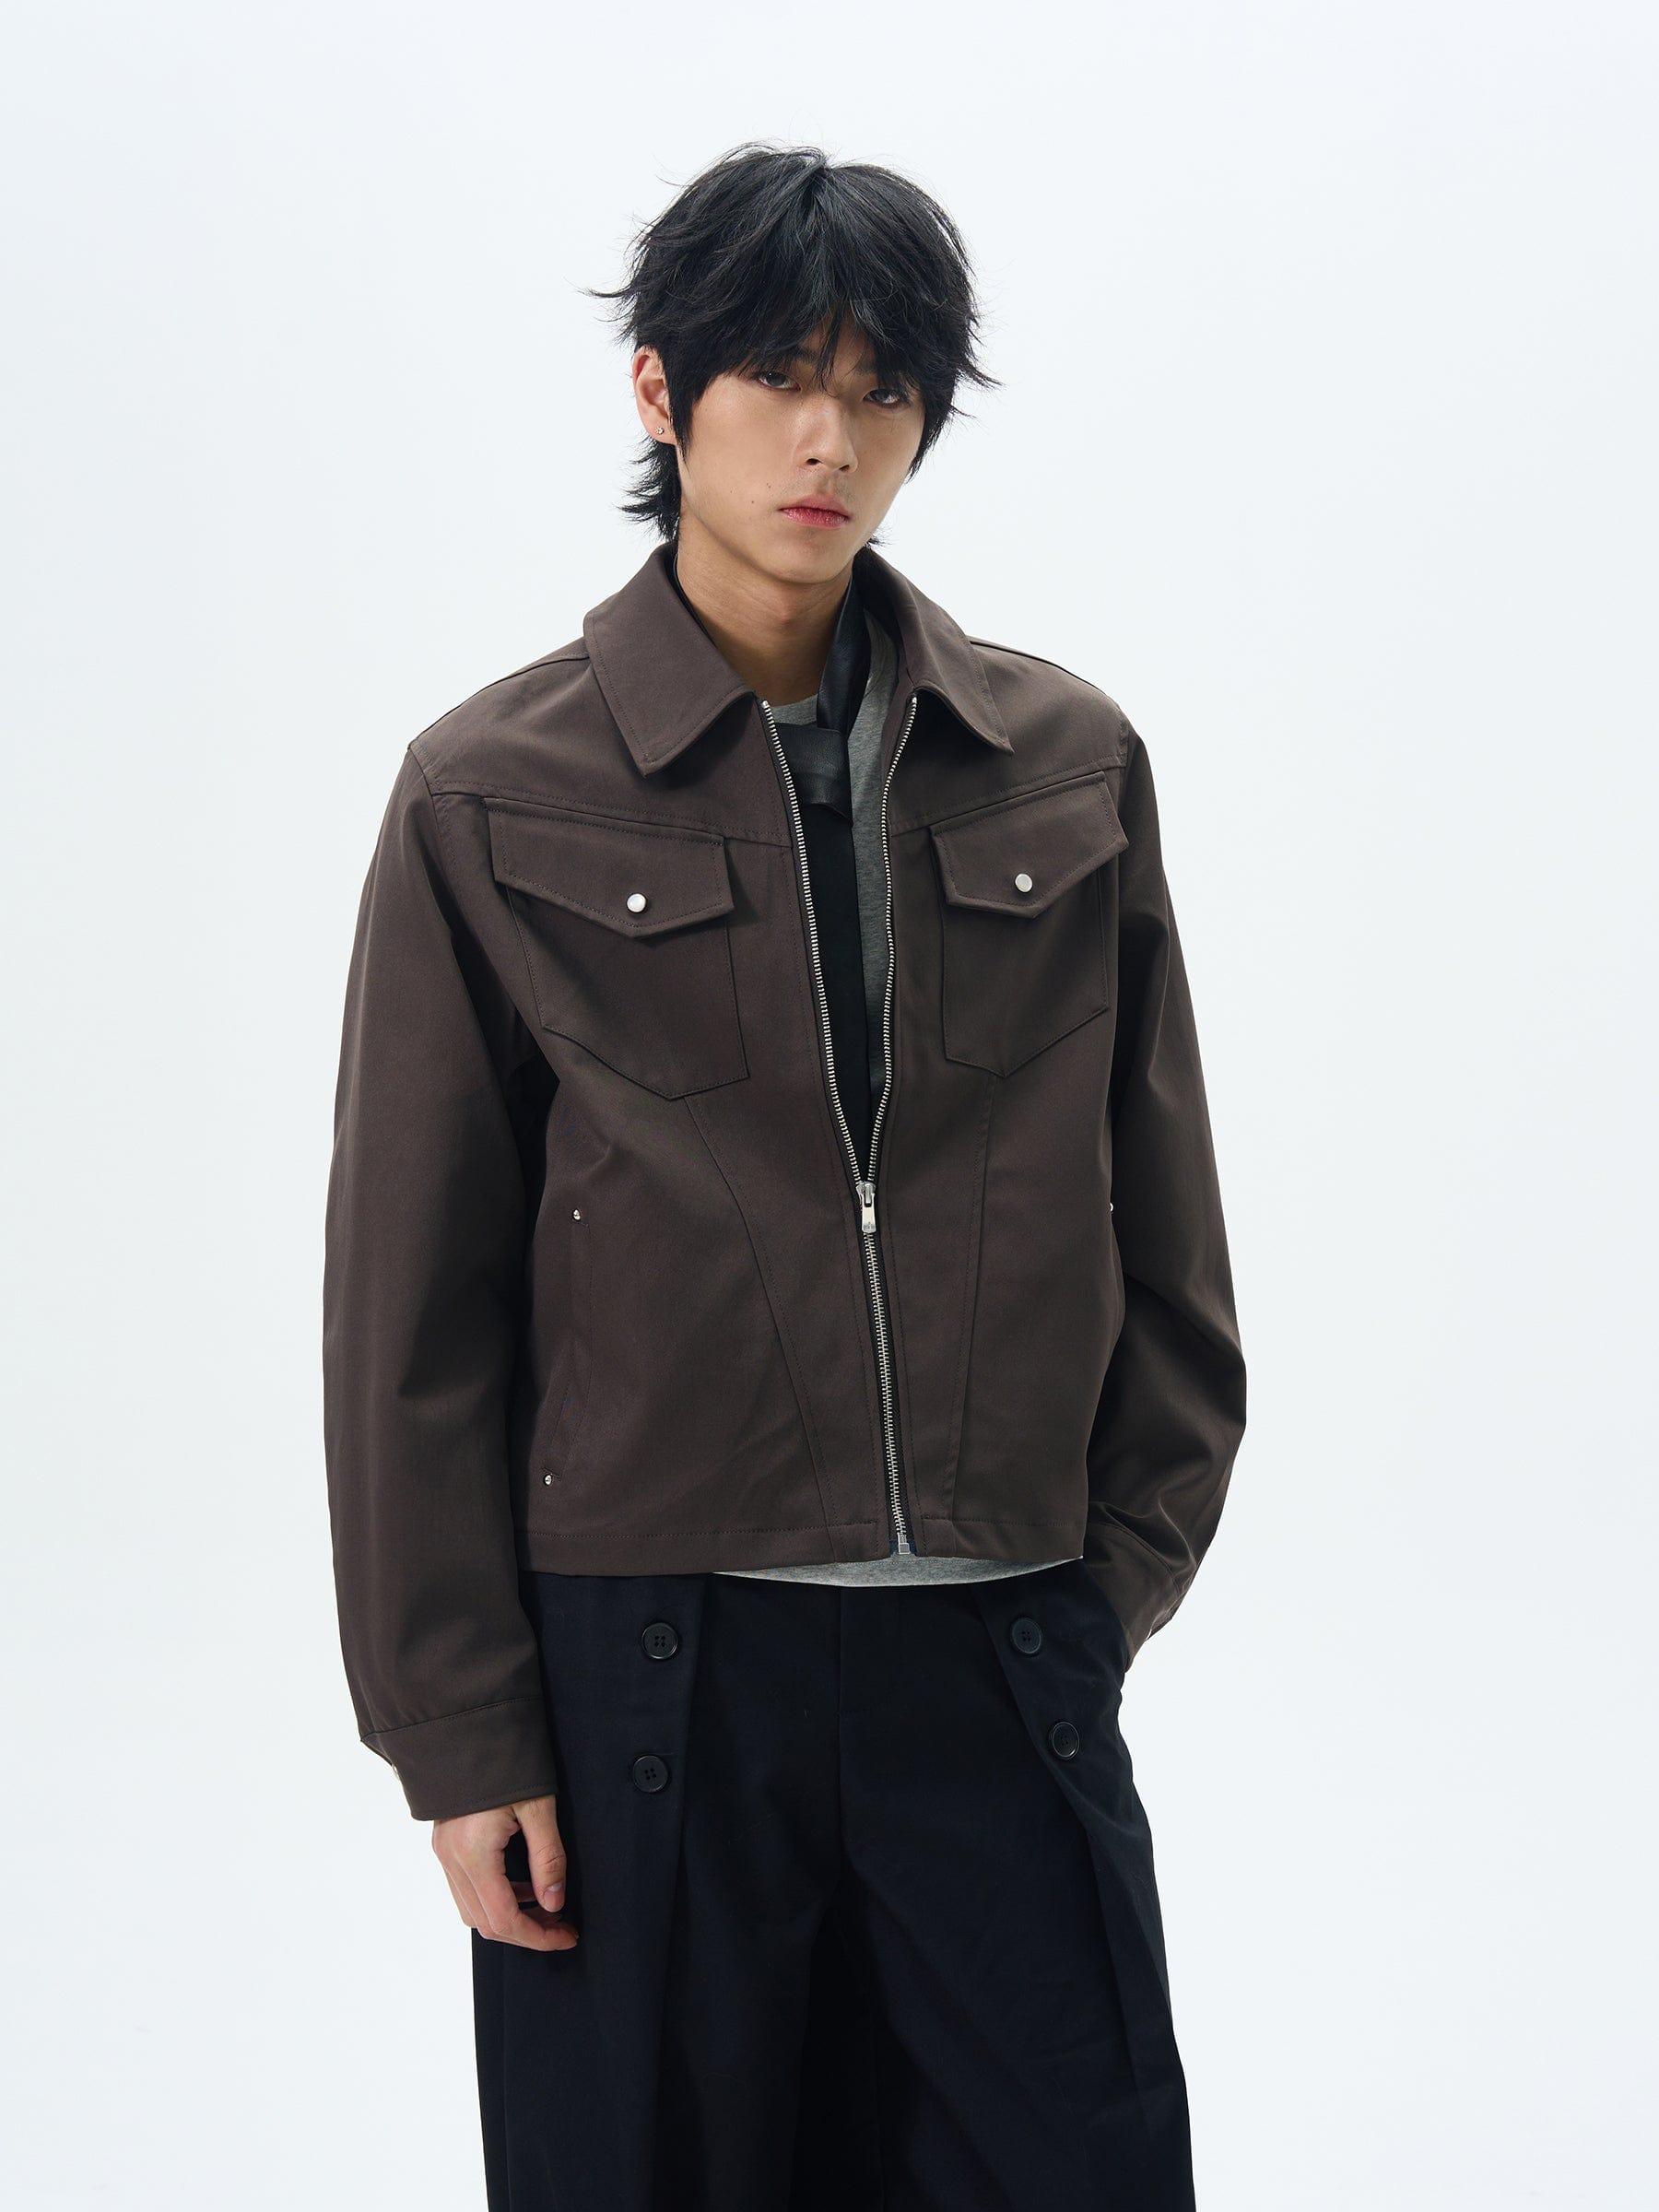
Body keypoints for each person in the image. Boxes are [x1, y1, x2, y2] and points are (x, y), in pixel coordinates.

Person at [323, 138, 1246, 2211]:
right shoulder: (491, 793)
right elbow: (411, 1308)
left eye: (882, 389)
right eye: (779, 378)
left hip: (999, 1651)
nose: (831, 440)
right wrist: (463, 1733)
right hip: (651, 1675)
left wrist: (1099, 1587)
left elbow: (1168, 1217)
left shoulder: (1064, 766)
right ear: (663, 391)